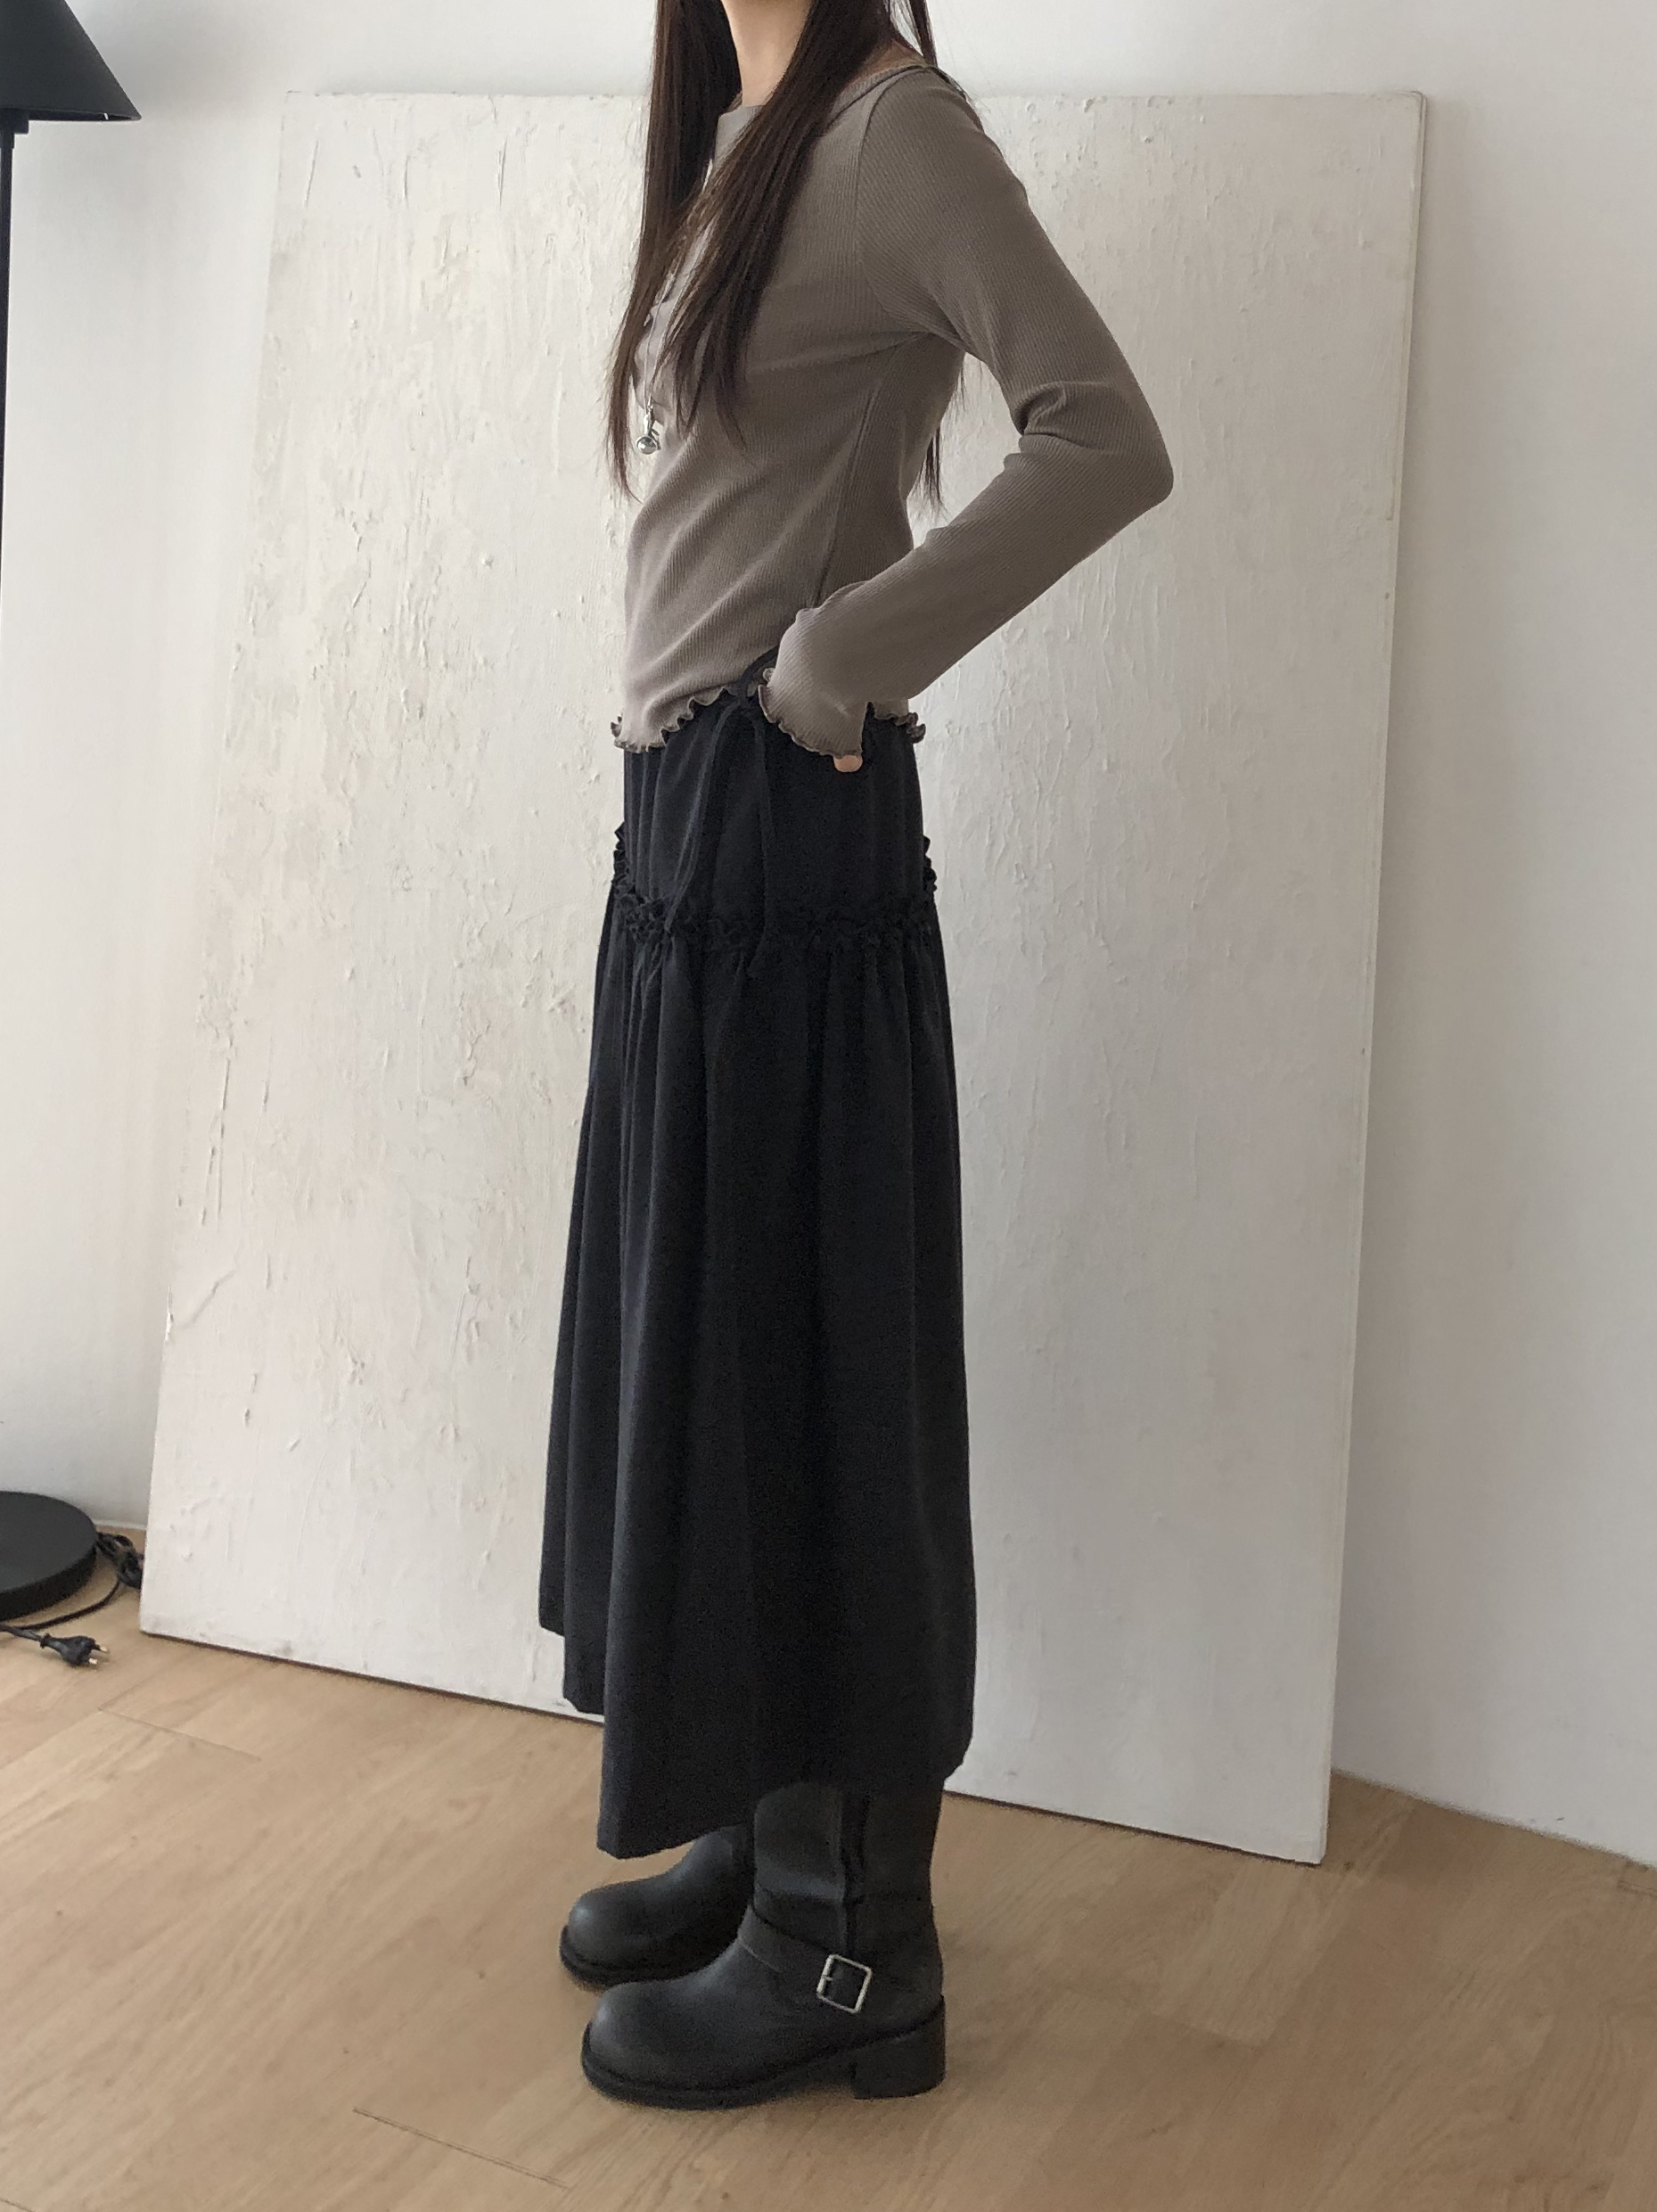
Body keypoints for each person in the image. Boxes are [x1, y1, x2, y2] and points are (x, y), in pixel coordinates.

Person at [538, 0, 1174, 2109]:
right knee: (720, 1352)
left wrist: (838, 655)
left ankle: (851, 1946)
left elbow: (1106, 432)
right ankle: (761, 1821)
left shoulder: (896, 128)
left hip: (785, 823)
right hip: (689, 835)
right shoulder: (747, 129)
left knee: (810, 1364)